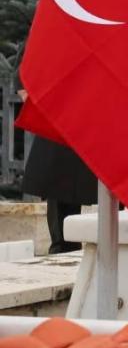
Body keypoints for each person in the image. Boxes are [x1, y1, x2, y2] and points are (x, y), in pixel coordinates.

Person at [16, 89, 97, 253]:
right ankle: (63, 254)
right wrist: (26, 86)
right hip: (62, 111)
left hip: (99, 107)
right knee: (60, 186)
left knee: (116, 203)